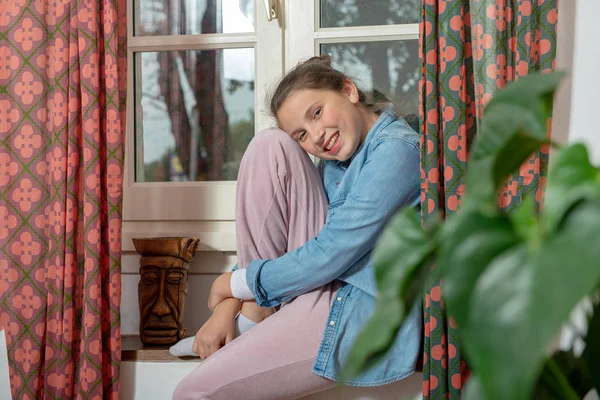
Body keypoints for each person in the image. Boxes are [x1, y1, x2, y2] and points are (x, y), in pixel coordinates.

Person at [172, 55, 422, 400]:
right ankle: (254, 312)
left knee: (193, 392)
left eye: (317, 113)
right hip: (324, 283)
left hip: (356, 305)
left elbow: (331, 252)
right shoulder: (338, 161)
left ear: (348, 90)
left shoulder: (399, 150)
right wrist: (229, 301)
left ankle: (253, 312)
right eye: (302, 134)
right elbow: (307, 244)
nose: (317, 136)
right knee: (269, 144)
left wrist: (234, 283)